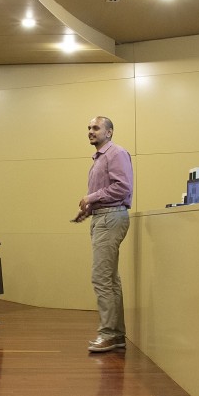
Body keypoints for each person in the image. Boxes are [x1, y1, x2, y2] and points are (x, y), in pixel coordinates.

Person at [74, 116, 133, 353]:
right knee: (110, 280)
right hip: (103, 217)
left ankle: (108, 334)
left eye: (96, 128)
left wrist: (91, 198)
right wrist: (89, 209)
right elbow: (108, 191)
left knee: (101, 278)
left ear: (109, 132)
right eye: (88, 127)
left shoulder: (115, 153)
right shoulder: (100, 158)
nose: (90, 131)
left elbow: (122, 187)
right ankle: (116, 335)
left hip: (110, 218)